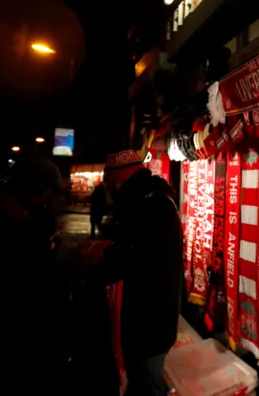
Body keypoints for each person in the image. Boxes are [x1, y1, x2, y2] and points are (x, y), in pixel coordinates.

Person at [0, 157, 69, 395]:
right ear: (38, 190)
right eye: (49, 194)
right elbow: (33, 285)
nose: (50, 202)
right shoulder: (15, 227)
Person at [94, 150, 183, 396]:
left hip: (149, 316)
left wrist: (101, 259)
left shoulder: (148, 205)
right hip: (149, 315)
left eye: (111, 186)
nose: (110, 193)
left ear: (122, 181)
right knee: (144, 378)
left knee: (147, 381)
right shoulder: (151, 200)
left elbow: (134, 255)